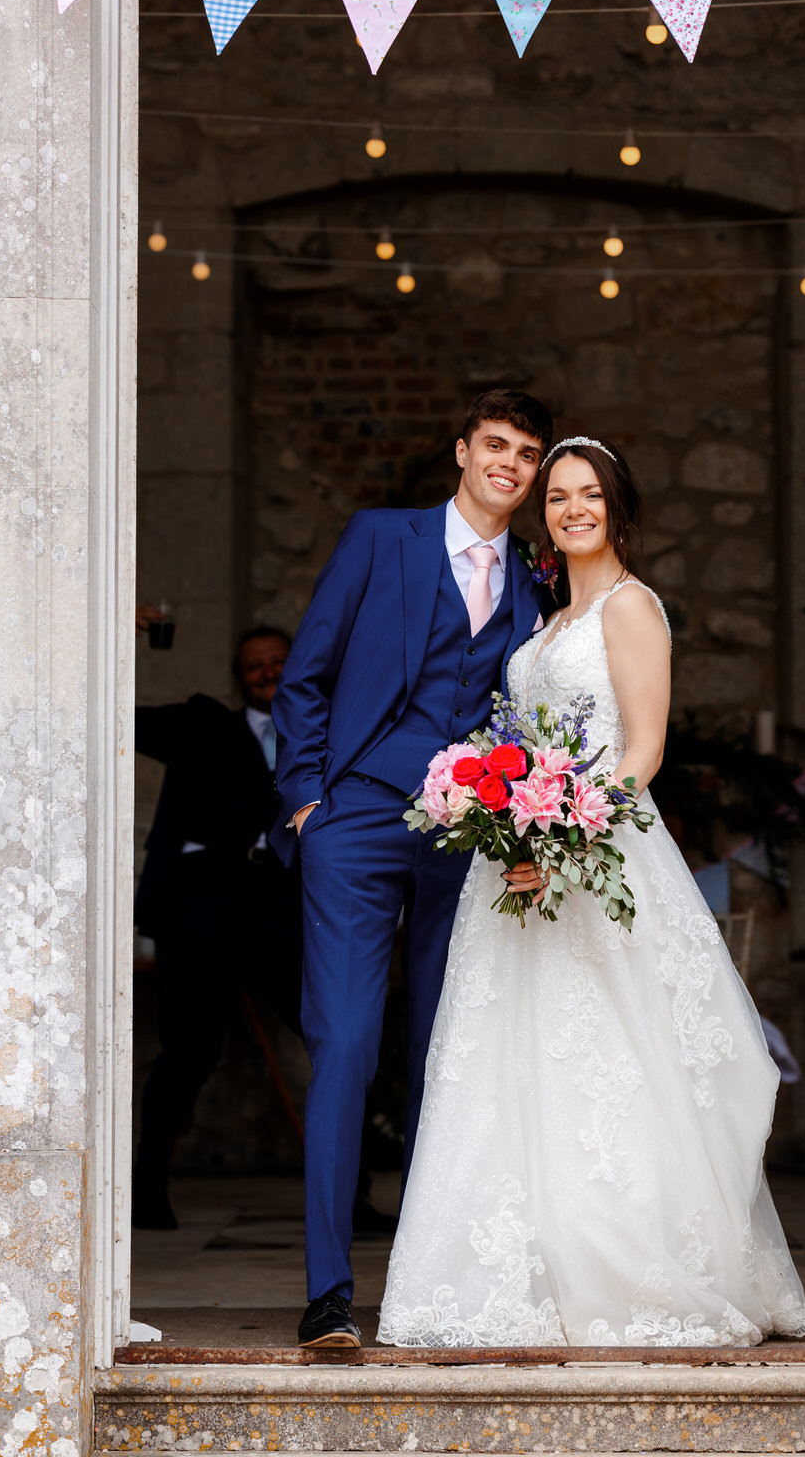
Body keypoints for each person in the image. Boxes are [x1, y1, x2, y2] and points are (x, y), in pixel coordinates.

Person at [378, 437, 805, 1348]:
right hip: (519, 872)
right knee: (511, 1063)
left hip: (596, 851)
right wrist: (501, 822)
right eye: (559, 496)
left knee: (614, 1062)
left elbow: (644, 747)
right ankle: (519, 1271)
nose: (573, 508)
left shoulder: (632, 608)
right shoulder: (541, 629)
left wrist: (566, 835)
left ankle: (628, 1261)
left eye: (590, 495)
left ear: (617, 508)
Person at [271, 388, 555, 1348]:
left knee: (447, 1055)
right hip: (350, 819)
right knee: (345, 1041)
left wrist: (520, 832)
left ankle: (434, 1289)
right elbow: (305, 672)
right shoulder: (380, 537)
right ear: (463, 452)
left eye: (525, 454)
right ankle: (328, 1294)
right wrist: (307, 797)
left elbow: (528, 717)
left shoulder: (531, 583)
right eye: (495, 446)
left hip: (461, 839)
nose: (507, 465)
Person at [131, 622, 302, 1230]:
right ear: (239, 677)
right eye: (253, 664)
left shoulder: (325, 730)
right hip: (201, 898)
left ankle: (351, 1196)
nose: (266, 672)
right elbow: (107, 708)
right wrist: (119, 629)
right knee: (190, 1046)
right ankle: (145, 1190)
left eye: (277, 660)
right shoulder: (203, 723)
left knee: (333, 1033)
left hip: (285, 898)